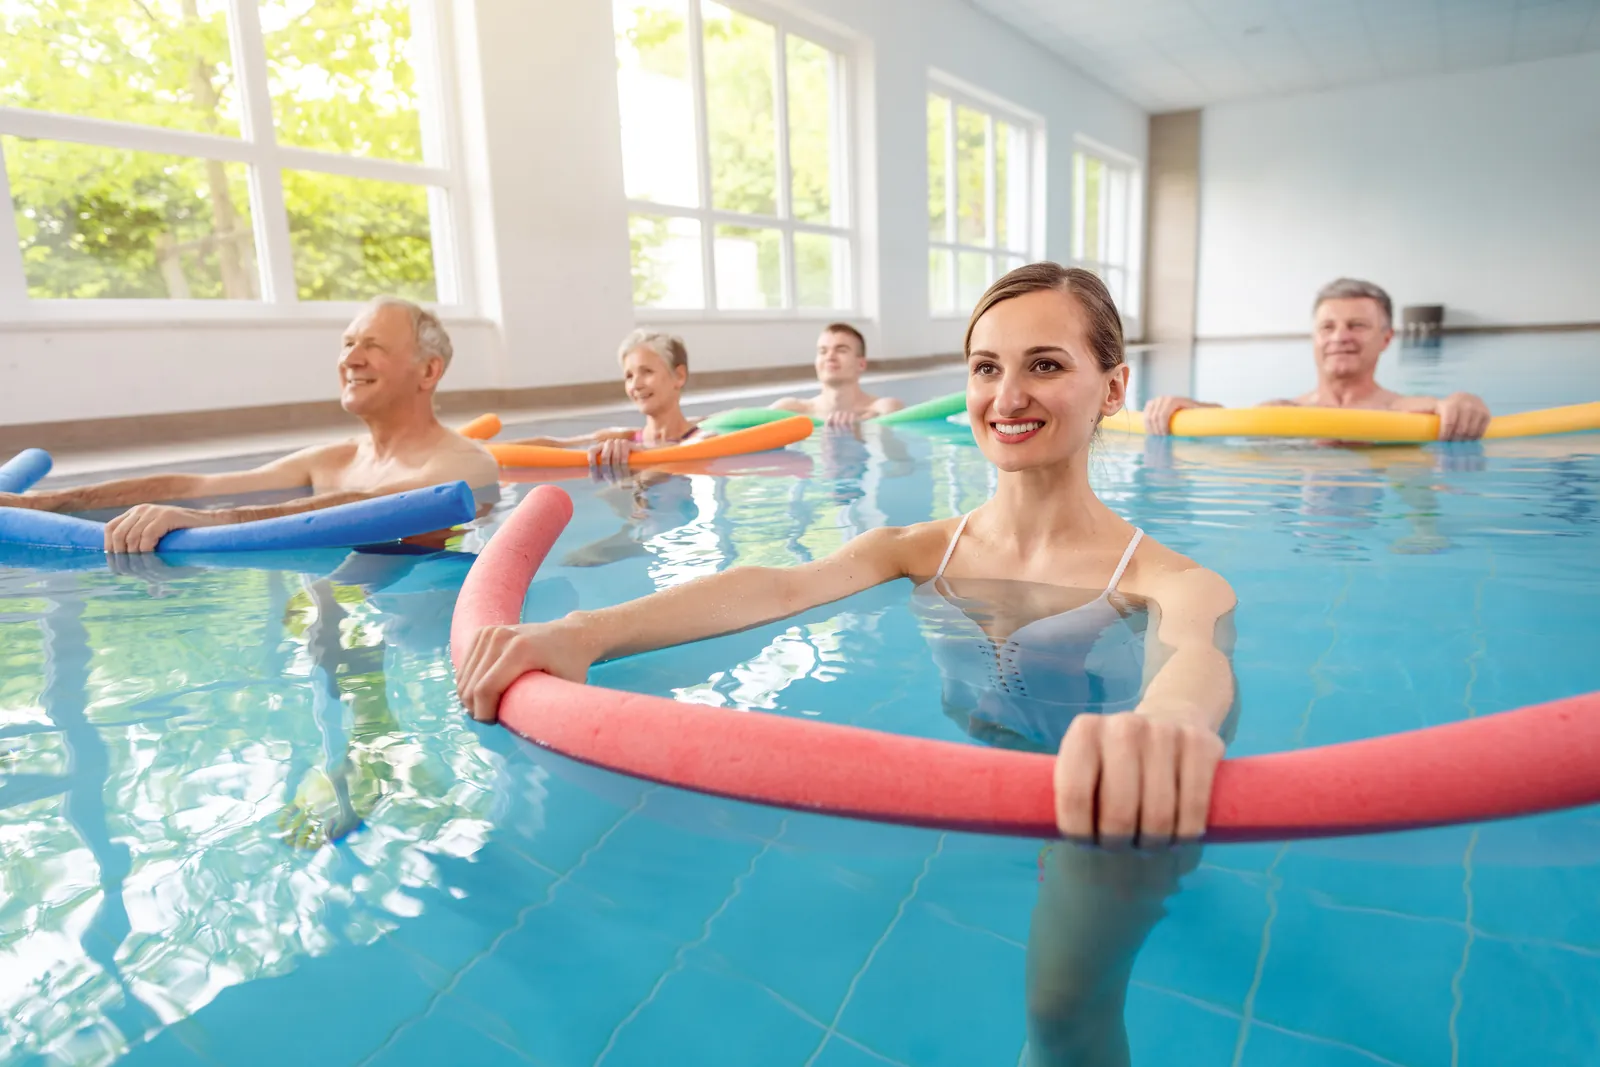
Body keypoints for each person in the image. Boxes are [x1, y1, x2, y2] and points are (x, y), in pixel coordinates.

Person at [456, 263, 1238, 1064]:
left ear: (1112, 388)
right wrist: (581, 632)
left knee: (1062, 1011)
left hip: (1110, 809)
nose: (1007, 397)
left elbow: (1197, 659)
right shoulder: (920, 548)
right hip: (990, 786)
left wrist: (1164, 727)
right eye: (986, 367)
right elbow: (776, 587)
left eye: (1045, 364)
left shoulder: (1165, 577)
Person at [0, 297, 498, 552]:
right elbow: (200, 485)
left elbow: (376, 504)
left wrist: (207, 521)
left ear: (428, 371)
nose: (351, 358)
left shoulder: (463, 462)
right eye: (347, 343)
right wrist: (43, 502)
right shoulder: (335, 459)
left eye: (373, 345)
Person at [1143, 278, 1492, 440]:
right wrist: (1183, 408)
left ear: (1387, 338)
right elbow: (1228, 424)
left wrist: (1464, 401)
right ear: (1315, 337)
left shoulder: (1405, 411)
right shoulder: (1284, 411)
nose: (1340, 336)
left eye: (1357, 325)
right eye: (1328, 326)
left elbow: (1451, 409)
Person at [503, 330, 709, 473]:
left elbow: (691, 449)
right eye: (629, 376)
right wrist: (484, 448)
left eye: (647, 372)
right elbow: (557, 444)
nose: (636, 384)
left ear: (679, 376)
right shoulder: (621, 437)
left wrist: (643, 453)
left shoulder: (702, 437)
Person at [768, 323, 905, 427]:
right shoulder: (790, 410)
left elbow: (900, 461)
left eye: (841, 350)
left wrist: (862, 428)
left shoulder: (883, 409)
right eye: (823, 351)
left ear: (861, 364)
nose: (830, 357)